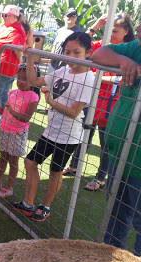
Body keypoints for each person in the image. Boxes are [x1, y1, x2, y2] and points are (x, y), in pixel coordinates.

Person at [8, 32, 95, 222]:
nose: (70, 57)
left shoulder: (88, 78)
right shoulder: (62, 71)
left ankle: (45, 207)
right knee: (30, 162)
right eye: (67, 52)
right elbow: (34, 81)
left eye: (76, 52)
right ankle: (28, 203)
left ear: (88, 52)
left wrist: (50, 101)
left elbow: (74, 112)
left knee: (55, 171)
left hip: (68, 135)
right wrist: (30, 56)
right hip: (51, 131)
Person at [62, 13, 135, 191]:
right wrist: (94, 27)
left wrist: (96, 77)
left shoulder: (130, 50)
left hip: (112, 103)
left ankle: (100, 177)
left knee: (105, 142)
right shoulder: (101, 45)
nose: (111, 34)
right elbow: (78, 47)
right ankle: (74, 165)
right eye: (108, 29)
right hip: (90, 98)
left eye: (115, 31)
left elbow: (124, 79)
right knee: (83, 134)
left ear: (126, 31)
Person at [91, 22, 141, 255]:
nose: (138, 27)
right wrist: (124, 61)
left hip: (138, 162)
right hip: (119, 154)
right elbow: (98, 53)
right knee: (116, 215)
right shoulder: (135, 48)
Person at [0, 64, 39, 198]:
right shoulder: (13, 92)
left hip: (17, 133)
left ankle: (8, 187)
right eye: (19, 78)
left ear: (33, 80)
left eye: (25, 79)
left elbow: (26, 118)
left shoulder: (33, 96)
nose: (20, 81)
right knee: (2, 157)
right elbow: (4, 113)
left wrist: (10, 110)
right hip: (4, 130)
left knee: (13, 160)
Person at [48, 7, 83, 72]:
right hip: (53, 65)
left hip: (66, 67)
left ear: (76, 18)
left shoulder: (79, 32)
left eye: (74, 15)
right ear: (64, 17)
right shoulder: (60, 30)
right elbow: (55, 46)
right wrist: (50, 61)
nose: (71, 17)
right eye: (69, 15)